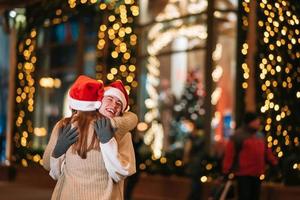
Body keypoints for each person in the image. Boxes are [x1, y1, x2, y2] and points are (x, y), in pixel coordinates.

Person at [42, 76, 138, 200]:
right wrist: (57, 152)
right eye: (109, 99)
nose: (114, 104)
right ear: (98, 102)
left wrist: (108, 142)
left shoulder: (122, 134)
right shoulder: (65, 126)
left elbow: (120, 173)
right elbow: (52, 170)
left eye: (119, 103)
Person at [222, 112, 278, 200]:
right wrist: (226, 171)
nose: (258, 123)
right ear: (250, 122)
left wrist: (273, 163)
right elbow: (230, 154)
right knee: (245, 197)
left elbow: (267, 152)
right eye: (256, 121)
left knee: (255, 197)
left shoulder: (260, 136)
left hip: (257, 173)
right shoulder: (238, 136)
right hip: (243, 174)